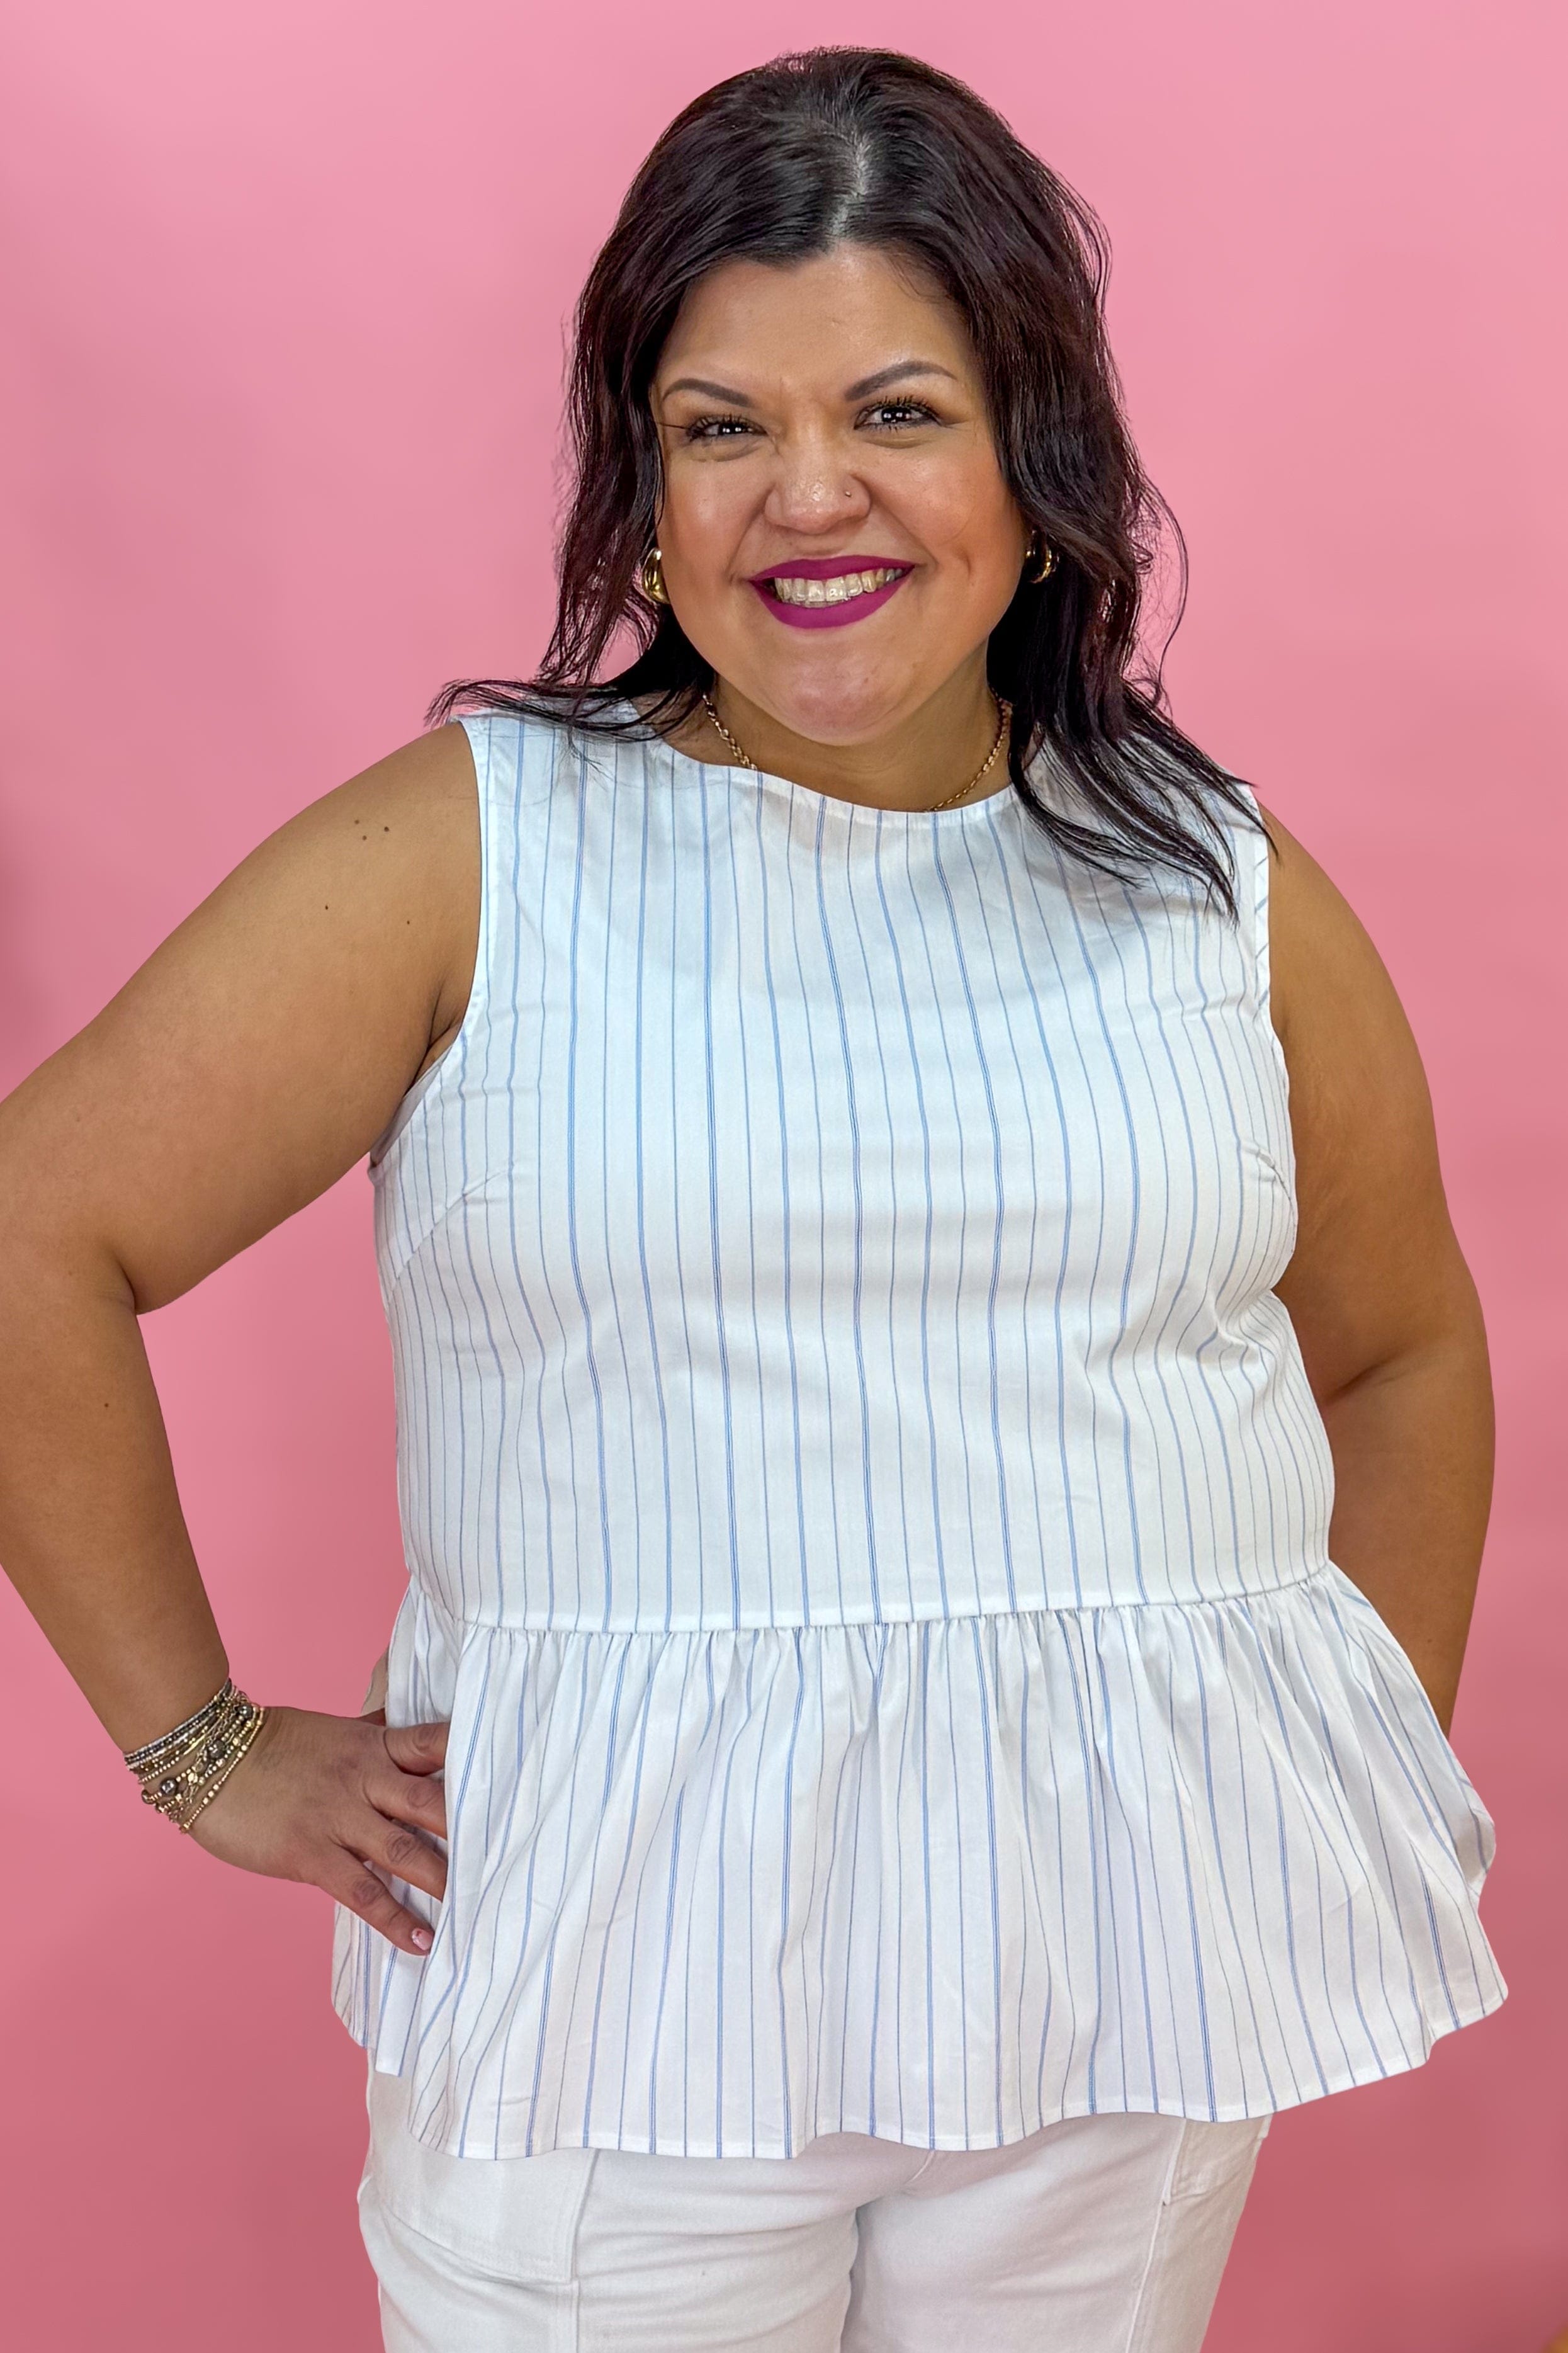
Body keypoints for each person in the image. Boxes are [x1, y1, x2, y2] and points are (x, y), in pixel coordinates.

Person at [0, 45, 1505, 2353]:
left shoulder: (1218, 888)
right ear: (643, 479)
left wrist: (1325, 1743)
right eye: (723, 427)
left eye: (897, 410)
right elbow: (35, 1230)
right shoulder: (472, 851)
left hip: (1119, 2012)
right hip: (619, 2015)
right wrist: (200, 1745)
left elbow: (1398, 1341)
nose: (813, 495)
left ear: (1036, 449)